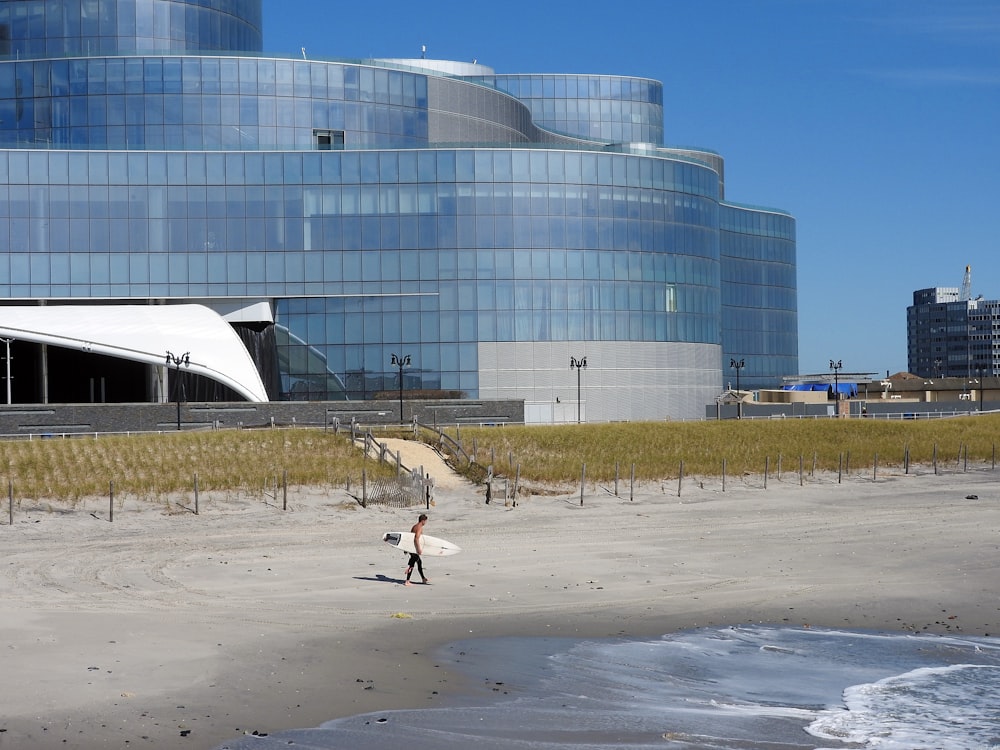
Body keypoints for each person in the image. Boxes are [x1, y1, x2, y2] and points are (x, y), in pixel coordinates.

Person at [405, 513, 430, 586]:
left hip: (411, 548)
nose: (425, 523)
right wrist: (418, 549)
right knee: (413, 564)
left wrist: (406, 548)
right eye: (425, 521)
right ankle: (407, 581)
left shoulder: (414, 527)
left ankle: (423, 578)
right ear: (423, 521)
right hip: (414, 548)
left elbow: (409, 538)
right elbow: (416, 539)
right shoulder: (419, 528)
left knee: (417, 563)